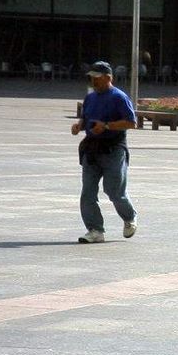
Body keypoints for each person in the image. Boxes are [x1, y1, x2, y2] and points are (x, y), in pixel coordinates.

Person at [71, 61, 138, 243]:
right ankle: (95, 230)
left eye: (97, 78)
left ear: (108, 78)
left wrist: (107, 126)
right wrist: (79, 126)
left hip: (113, 149)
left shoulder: (119, 97)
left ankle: (129, 217)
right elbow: (86, 118)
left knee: (114, 191)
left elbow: (131, 123)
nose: (93, 81)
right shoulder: (90, 97)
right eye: (91, 78)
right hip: (92, 149)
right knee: (88, 192)